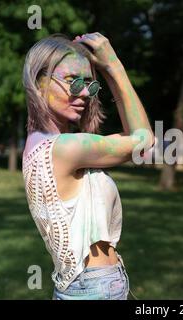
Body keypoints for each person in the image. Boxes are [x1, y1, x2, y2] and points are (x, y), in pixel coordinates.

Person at [21, 33, 154, 300]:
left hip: (83, 287)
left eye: (90, 85)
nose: (84, 93)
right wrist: (113, 66)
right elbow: (144, 141)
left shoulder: (40, 146)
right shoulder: (66, 149)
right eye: (72, 82)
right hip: (96, 289)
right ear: (38, 82)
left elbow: (135, 139)